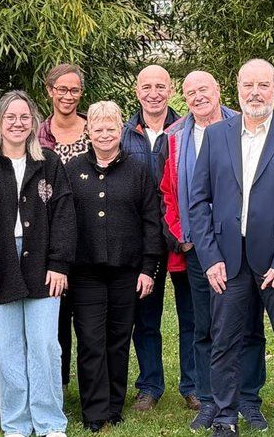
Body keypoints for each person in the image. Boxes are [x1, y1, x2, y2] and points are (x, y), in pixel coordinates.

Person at [188, 59, 274, 437]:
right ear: (238, 89)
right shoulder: (216, 136)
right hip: (227, 260)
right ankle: (226, 417)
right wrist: (209, 257)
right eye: (249, 85)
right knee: (224, 340)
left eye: (263, 85)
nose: (255, 93)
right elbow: (198, 202)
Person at [0, 90, 77, 437]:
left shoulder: (49, 163)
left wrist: (59, 263)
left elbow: (65, 214)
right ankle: (16, 424)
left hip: (42, 261)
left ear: (33, 122)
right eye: (10, 117)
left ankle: (50, 422)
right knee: (8, 350)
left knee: (44, 347)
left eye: (24, 117)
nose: (17, 123)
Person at [162, 71, 269, 431]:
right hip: (200, 248)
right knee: (205, 325)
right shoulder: (174, 137)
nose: (197, 97)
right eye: (190, 92)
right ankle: (208, 400)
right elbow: (169, 193)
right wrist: (187, 238)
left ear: (219, 90)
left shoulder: (243, 127)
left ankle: (249, 399)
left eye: (203, 89)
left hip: (242, 246)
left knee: (250, 325)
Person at [65, 101, 164, 431]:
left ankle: (113, 406)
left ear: (120, 130)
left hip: (128, 270)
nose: (105, 134)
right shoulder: (73, 169)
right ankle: (94, 411)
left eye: (111, 128)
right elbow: (62, 221)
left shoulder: (137, 170)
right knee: (91, 339)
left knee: (119, 339)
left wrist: (149, 269)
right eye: (98, 128)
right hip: (86, 270)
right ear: (88, 131)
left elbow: (152, 220)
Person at [120, 65, 193, 412]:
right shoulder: (123, 134)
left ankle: (193, 384)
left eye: (160, 86)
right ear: (137, 91)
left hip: (181, 239)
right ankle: (150, 386)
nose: (154, 93)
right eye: (146, 86)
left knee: (191, 316)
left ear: (171, 89)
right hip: (140, 242)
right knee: (144, 317)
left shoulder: (185, 129)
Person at [36, 63, 90, 387]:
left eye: (74, 90)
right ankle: (57, 384)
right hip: (50, 239)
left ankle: (89, 386)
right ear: (50, 91)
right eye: (62, 89)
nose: (68, 96)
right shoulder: (38, 135)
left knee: (87, 319)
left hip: (90, 237)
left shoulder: (92, 129)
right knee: (54, 320)